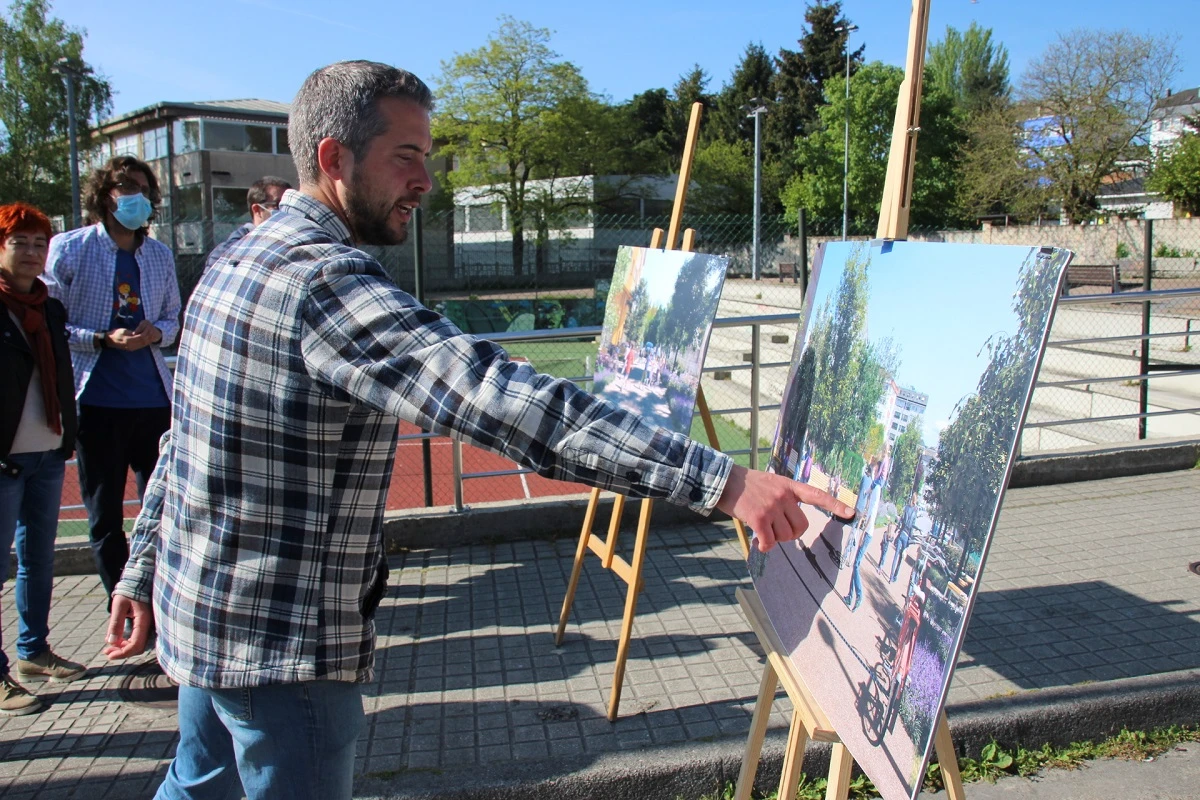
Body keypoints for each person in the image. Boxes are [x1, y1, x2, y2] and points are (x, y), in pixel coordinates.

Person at [99, 61, 855, 800]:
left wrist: (141, 573)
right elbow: (501, 402)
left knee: (193, 787)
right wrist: (721, 480)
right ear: (334, 159)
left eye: (426, 158)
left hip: (199, 617)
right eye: (406, 158)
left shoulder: (236, 256)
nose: (425, 182)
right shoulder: (323, 280)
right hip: (281, 650)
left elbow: (182, 444)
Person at [43, 155, 182, 603]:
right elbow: (51, 324)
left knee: (161, 509)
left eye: (144, 189)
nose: (137, 197)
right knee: (104, 516)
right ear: (106, 196)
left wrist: (157, 331)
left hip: (153, 401)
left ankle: (159, 601)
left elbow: (176, 318)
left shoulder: (159, 254)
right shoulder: (70, 248)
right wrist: (101, 338)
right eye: (127, 187)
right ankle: (119, 602)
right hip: (97, 404)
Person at [0, 203, 88, 716]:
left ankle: (33, 652)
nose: (32, 253)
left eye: (39, 244)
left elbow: (60, 377)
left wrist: (65, 436)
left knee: (37, 560)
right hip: (5, 459)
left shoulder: (49, 307)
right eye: (20, 243)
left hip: (47, 452)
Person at [204, 176, 293, 270]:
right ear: (257, 210)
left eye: (290, 206)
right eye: (279, 205)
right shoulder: (227, 252)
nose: (286, 211)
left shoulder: (293, 244)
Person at [844, 475, 882, 611]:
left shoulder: (875, 495)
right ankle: (850, 595)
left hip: (867, 535)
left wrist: (862, 534)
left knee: (856, 565)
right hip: (867, 534)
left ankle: (859, 594)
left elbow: (871, 517)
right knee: (855, 563)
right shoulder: (874, 497)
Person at [889, 493, 920, 583]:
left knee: (895, 556)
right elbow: (913, 526)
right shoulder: (915, 510)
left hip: (902, 533)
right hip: (907, 537)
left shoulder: (906, 508)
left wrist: (896, 531)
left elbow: (901, 520)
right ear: (916, 500)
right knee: (900, 558)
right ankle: (895, 576)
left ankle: (890, 577)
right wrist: (910, 540)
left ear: (911, 499)